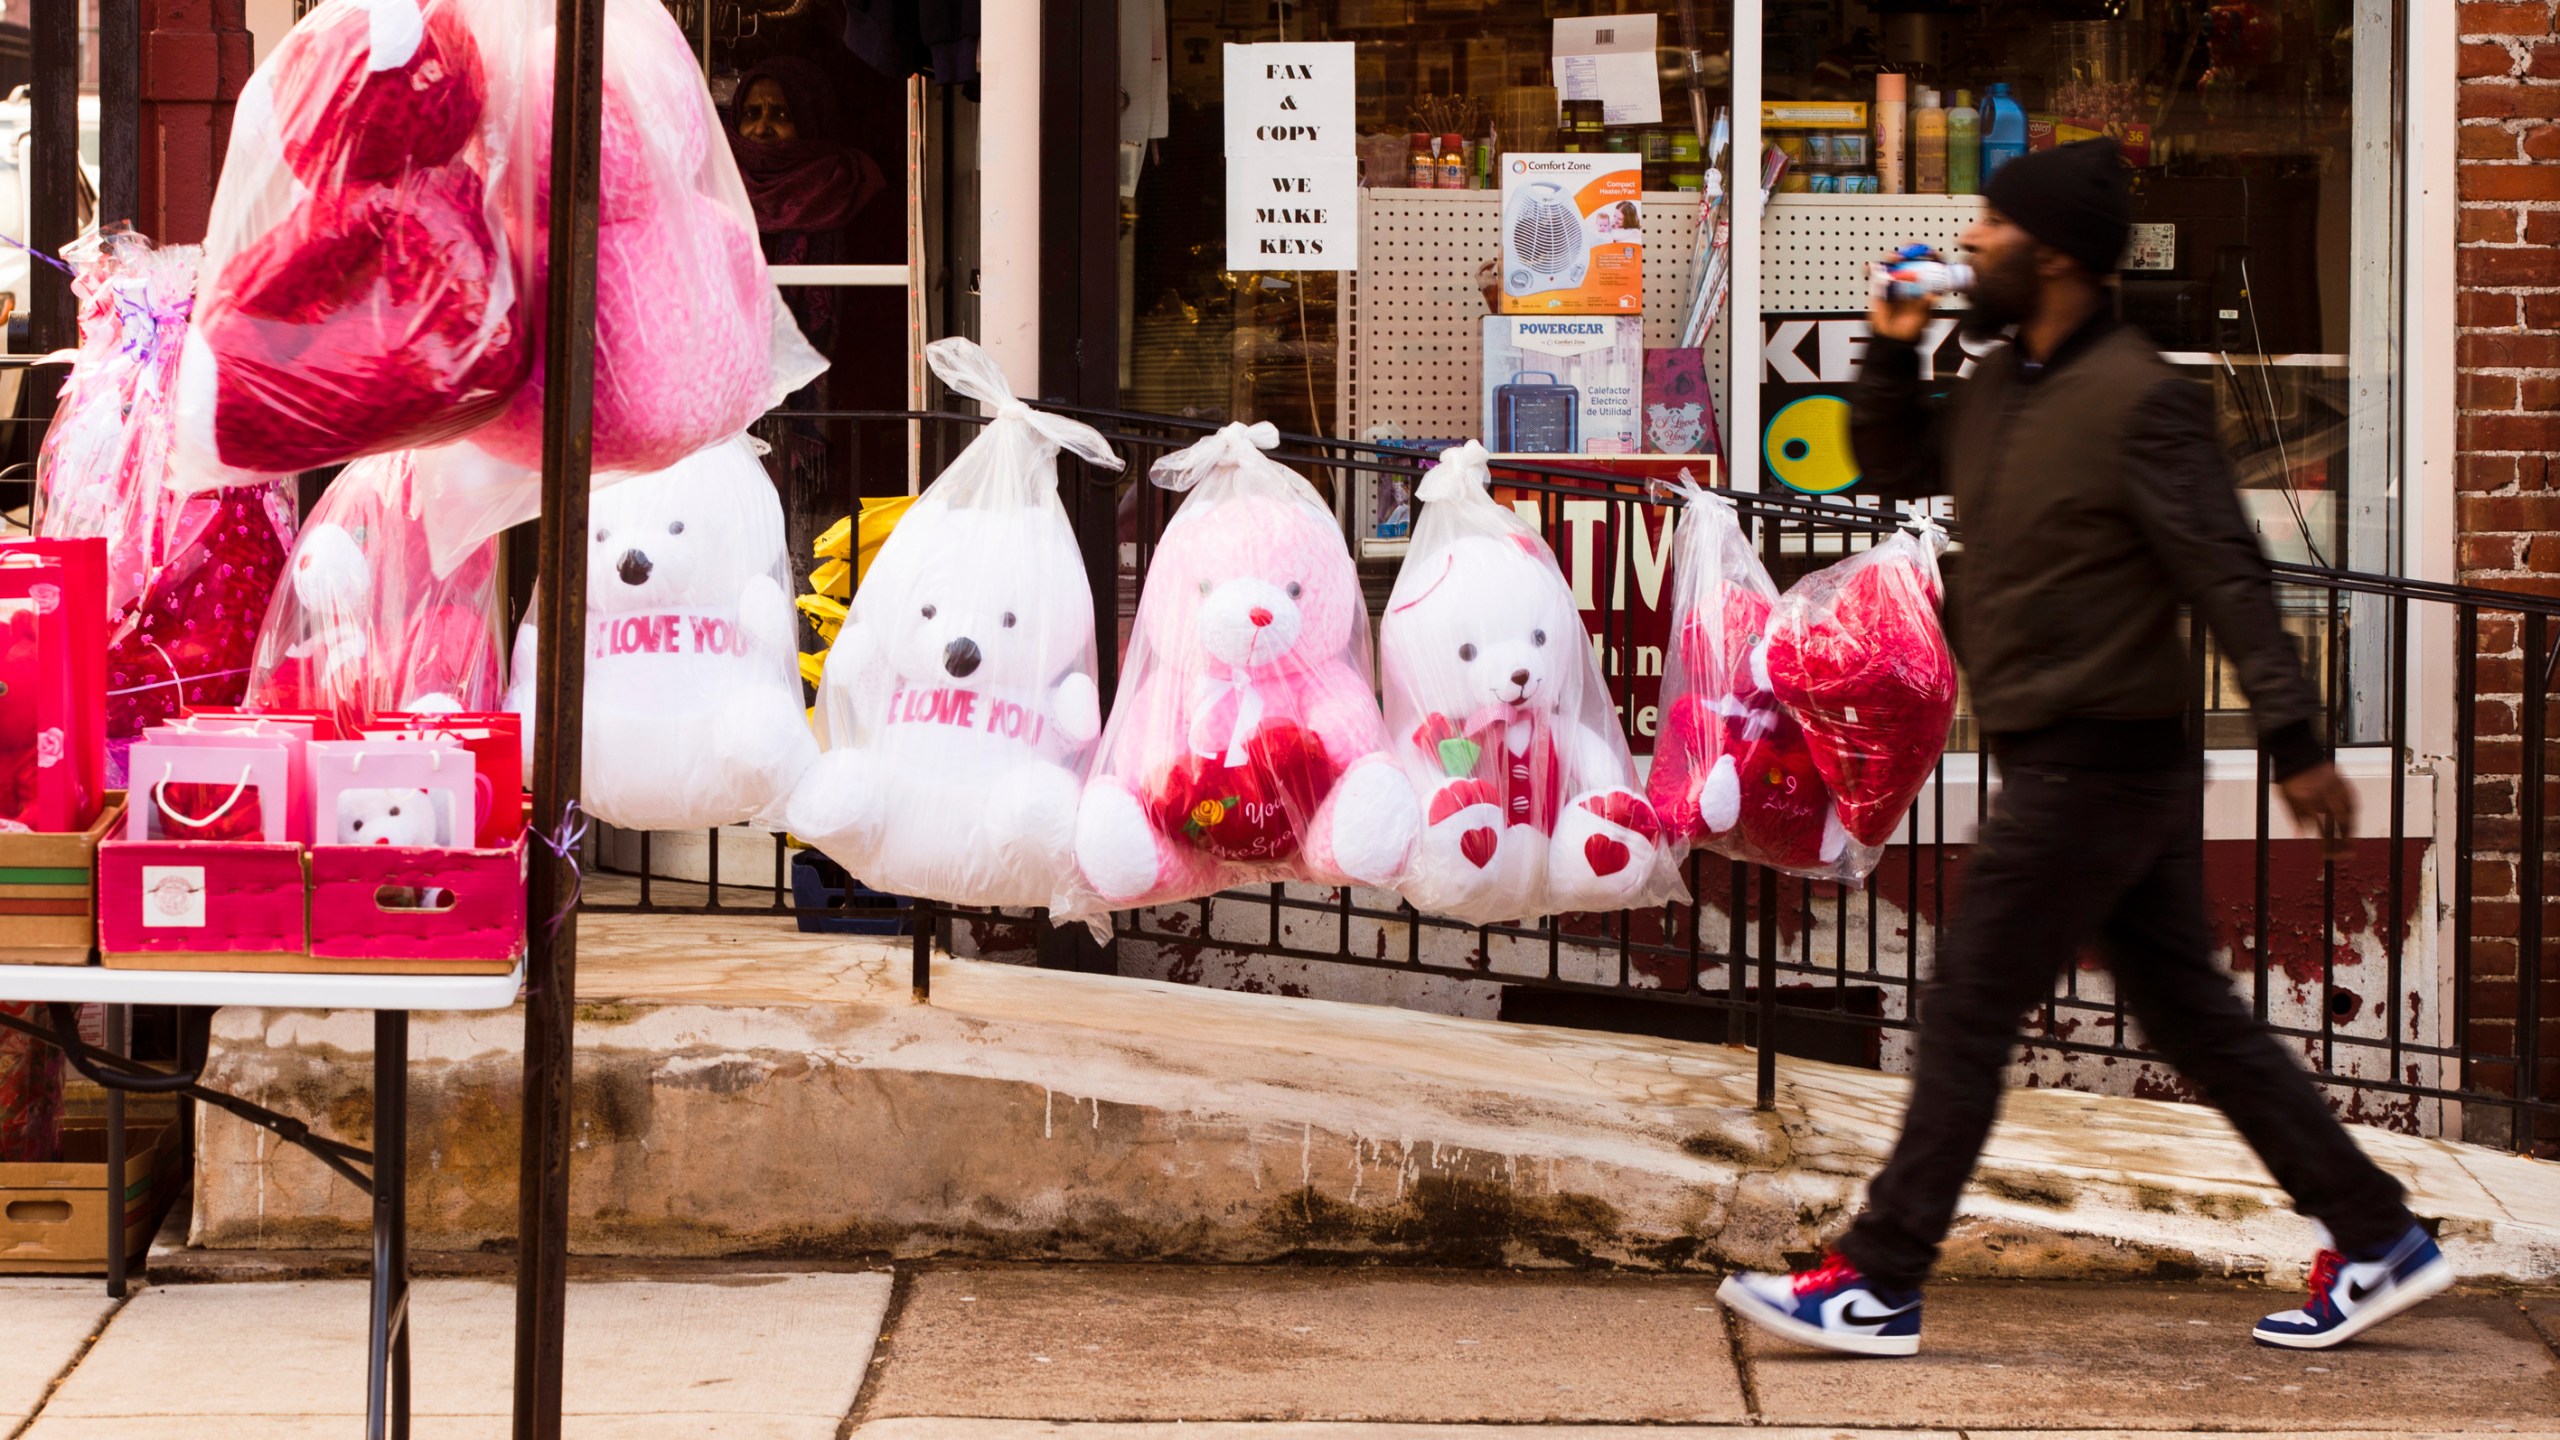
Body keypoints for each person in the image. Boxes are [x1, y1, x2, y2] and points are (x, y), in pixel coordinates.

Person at [1715, 139, 2448, 1359]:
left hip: (2096, 764)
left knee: (1964, 1011)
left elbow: (2224, 570)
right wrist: (1888, 347)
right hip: (2074, 760)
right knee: (2197, 1022)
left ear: (2050, 252)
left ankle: (1879, 1280)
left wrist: (2294, 740)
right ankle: (2375, 1233)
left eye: (1991, 228)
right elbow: (1892, 464)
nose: (1970, 246)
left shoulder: (2142, 397)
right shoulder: (2005, 384)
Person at [726, 54, 887, 363]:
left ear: (812, 119)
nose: (761, 128)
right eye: (751, 113)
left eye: (782, 115)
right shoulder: (721, 190)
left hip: (846, 383)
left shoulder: (851, 188)